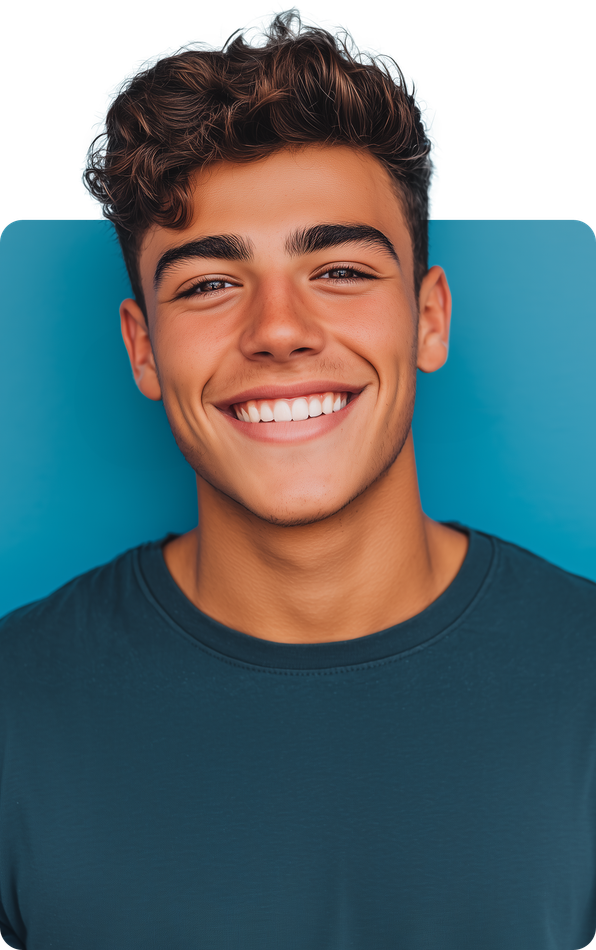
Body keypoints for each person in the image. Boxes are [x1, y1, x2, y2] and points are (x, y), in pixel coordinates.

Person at [1, 8, 595, 949]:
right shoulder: (13, 709)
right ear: (142, 349)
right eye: (208, 284)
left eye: (342, 269)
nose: (279, 328)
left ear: (428, 319)